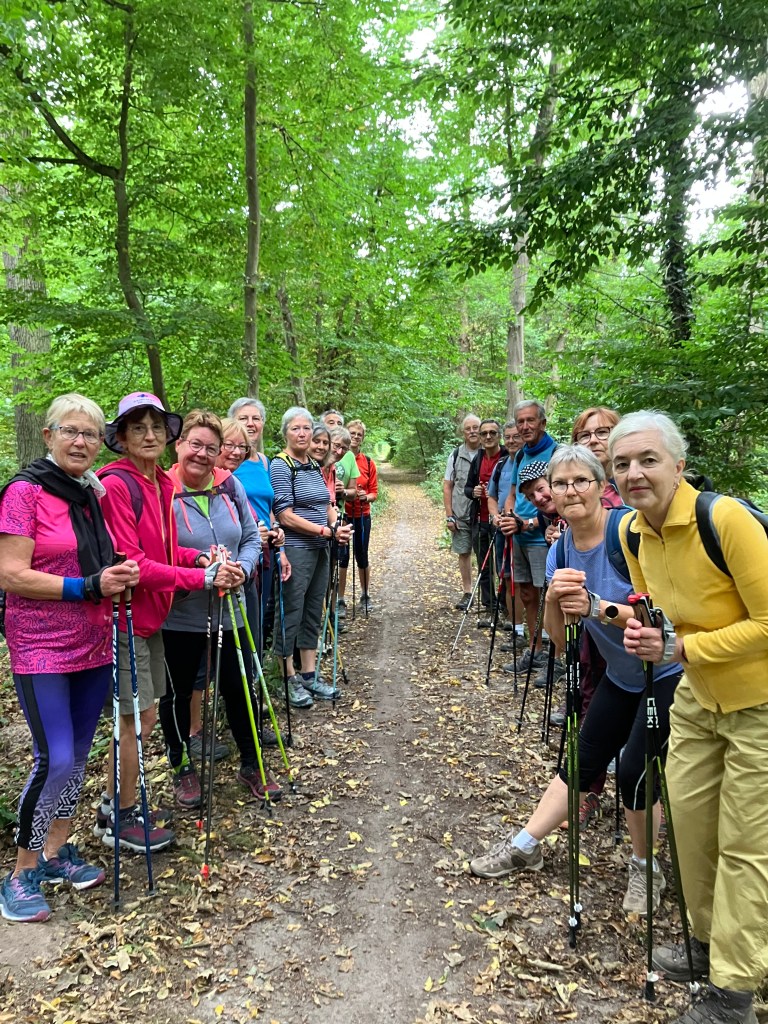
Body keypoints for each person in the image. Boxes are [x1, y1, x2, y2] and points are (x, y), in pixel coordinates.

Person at [470, 445, 682, 919]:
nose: (570, 491)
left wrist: (595, 606)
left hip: (668, 672)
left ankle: (646, 867)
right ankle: (525, 845)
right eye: (560, 484)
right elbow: (558, 640)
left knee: (634, 770)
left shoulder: (630, 534)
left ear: (601, 485)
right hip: (622, 677)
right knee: (582, 761)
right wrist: (554, 599)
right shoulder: (561, 548)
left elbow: (665, 618)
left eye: (580, 481)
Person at [612, 411, 768, 1024]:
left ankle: (733, 994)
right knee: (690, 829)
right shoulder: (633, 532)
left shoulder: (723, 520)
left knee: (745, 845)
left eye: (648, 460)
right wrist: (627, 625)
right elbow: (655, 614)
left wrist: (680, 647)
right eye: (622, 464)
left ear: (678, 465)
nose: (634, 472)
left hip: (758, 704)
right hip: (698, 700)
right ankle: (705, 944)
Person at [0, 393, 139, 922]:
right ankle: (20, 873)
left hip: (93, 639)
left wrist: (117, 574)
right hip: (40, 644)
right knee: (54, 758)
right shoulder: (25, 492)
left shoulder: (90, 492)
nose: (80, 442)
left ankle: (55, 853)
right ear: (48, 435)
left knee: (78, 757)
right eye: (69, 431)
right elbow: (10, 573)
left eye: (90, 434)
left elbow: (95, 559)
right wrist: (87, 586)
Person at [96, 392, 241, 851]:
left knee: (141, 715)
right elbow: (133, 562)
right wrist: (200, 577)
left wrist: (194, 557)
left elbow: (162, 550)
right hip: (124, 616)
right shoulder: (117, 484)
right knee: (135, 718)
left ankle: (112, 805)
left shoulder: (159, 483)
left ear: (167, 435)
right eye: (138, 428)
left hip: (150, 615)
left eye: (156, 427)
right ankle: (122, 817)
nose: (150, 435)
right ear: (121, 437)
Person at [159, 410, 282, 803]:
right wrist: (199, 570)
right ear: (179, 445)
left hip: (232, 607)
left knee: (239, 686)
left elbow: (250, 537)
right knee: (178, 693)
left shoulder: (229, 485)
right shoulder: (162, 490)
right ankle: (181, 767)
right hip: (180, 613)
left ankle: (252, 763)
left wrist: (242, 569)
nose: (202, 454)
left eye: (211, 448)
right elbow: (156, 551)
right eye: (195, 444)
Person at [269, 407, 352, 708]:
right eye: (296, 428)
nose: (302, 434)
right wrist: (324, 531)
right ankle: (287, 676)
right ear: (285, 432)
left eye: (306, 428)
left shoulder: (313, 465)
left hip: (321, 548)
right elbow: (284, 515)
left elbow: (326, 504)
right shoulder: (281, 465)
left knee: (314, 609)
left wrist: (337, 526)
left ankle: (308, 673)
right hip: (296, 549)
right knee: (291, 609)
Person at [500, 400, 558, 676]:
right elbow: (512, 494)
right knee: (526, 593)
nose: (524, 426)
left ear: (542, 423)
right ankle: (534, 651)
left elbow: (558, 498)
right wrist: (509, 517)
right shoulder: (521, 454)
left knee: (551, 597)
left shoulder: (556, 453)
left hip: (543, 537)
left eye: (530, 420)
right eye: (520, 421)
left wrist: (531, 523)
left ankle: (555, 656)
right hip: (519, 536)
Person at [463, 419, 504, 626]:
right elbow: (467, 488)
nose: (488, 437)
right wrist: (474, 492)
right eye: (484, 433)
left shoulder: (507, 456)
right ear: (480, 437)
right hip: (480, 519)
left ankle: (506, 609)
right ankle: (490, 607)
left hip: (501, 520)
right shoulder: (477, 459)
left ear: (499, 435)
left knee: (503, 567)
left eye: (492, 433)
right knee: (484, 566)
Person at [337, 419, 378, 615]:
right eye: (352, 433)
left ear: (363, 438)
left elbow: (374, 492)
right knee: (342, 557)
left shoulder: (368, 462)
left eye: (359, 434)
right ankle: (340, 599)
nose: (355, 437)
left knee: (362, 555)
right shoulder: (338, 458)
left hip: (362, 514)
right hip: (343, 514)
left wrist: (366, 497)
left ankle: (365, 595)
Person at [443, 414, 481, 610]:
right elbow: (448, 486)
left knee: (486, 556)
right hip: (461, 514)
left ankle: (489, 596)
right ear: (463, 432)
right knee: (464, 552)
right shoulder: (456, 455)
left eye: (476, 427)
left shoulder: (490, 452)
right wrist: (450, 515)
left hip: (484, 514)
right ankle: (468, 593)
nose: (472, 431)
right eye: (468, 428)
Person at [572, 407, 623, 508]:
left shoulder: (633, 479)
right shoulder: (570, 489)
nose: (593, 440)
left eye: (602, 432)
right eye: (585, 435)